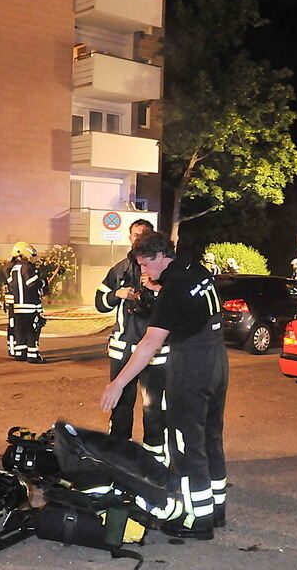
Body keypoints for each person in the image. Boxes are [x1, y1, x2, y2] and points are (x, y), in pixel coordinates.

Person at [99, 231, 228, 540]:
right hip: (217, 363)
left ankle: (198, 520)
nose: (143, 271)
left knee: (185, 446)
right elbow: (188, 302)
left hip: (190, 368)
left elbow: (149, 344)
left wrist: (118, 383)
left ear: (159, 257)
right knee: (210, 437)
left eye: (145, 264)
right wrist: (159, 286)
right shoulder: (195, 270)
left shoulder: (174, 291)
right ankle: (216, 508)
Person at [94, 219, 168, 461]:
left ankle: (153, 460)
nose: (138, 239)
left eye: (143, 235)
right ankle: (118, 457)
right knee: (121, 407)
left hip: (155, 353)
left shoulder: (161, 269)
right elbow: (100, 302)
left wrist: (156, 290)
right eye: (135, 235)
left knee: (154, 408)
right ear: (129, 237)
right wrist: (118, 294)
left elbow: (175, 305)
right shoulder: (120, 269)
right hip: (123, 350)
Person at [5, 242, 47, 363]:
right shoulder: (28, 268)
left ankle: (20, 353)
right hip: (30, 305)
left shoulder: (14, 268)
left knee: (20, 329)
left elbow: (13, 285)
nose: (32, 258)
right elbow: (32, 284)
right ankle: (33, 355)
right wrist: (43, 283)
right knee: (32, 330)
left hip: (18, 306)